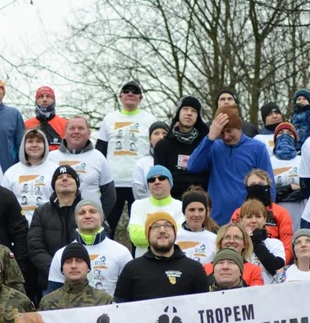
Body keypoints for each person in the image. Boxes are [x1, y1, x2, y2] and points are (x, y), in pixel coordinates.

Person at [187, 106, 274, 224]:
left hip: (247, 220)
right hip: (216, 221)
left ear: (239, 127)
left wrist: (269, 215)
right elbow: (192, 166)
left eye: (229, 131)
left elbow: (269, 185)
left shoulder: (257, 148)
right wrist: (210, 137)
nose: (226, 137)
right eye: (221, 132)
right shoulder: (213, 147)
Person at [94, 80, 156, 232]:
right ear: (120, 96)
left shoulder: (151, 120)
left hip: (139, 183)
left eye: (134, 91)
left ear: (140, 98)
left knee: (140, 227)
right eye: (126, 91)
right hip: (113, 182)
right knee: (107, 227)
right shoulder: (109, 119)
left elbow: (157, 151)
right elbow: (100, 151)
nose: (130, 93)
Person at [42, 198, 131, 296]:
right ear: (76, 220)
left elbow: (129, 293)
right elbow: (53, 295)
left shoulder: (121, 252)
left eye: (93, 211)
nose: (87, 216)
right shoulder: (61, 254)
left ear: (101, 218)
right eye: (82, 213)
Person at [113, 212, 209, 302]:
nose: (162, 231)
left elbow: (204, 306)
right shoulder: (131, 269)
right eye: (156, 227)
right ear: (148, 235)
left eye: (167, 226)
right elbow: (120, 308)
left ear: (175, 233)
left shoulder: (195, 269)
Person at [28, 164, 83, 290]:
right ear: (53, 185)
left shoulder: (88, 210)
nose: (64, 179)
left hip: (85, 279)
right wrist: (56, 271)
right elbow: (35, 247)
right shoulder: (41, 212)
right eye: (60, 177)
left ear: (77, 183)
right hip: (50, 282)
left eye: (69, 176)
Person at [52, 117, 116, 216]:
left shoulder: (98, 157)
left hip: (89, 221)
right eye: (72, 128)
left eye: (81, 128)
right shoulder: (51, 157)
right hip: (57, 220)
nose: (76, 132)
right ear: (64, 133)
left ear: (89, 133)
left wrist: (100, 218)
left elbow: (109, 195)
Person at [153, 95, 208, 198]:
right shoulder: (163, 146)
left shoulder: (204, 144)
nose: (189, 113)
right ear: (178, 113)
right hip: (171, 201)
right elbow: (159, 178)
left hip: (200, 202)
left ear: (198, 117)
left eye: (194, 111)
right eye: (185, 109)